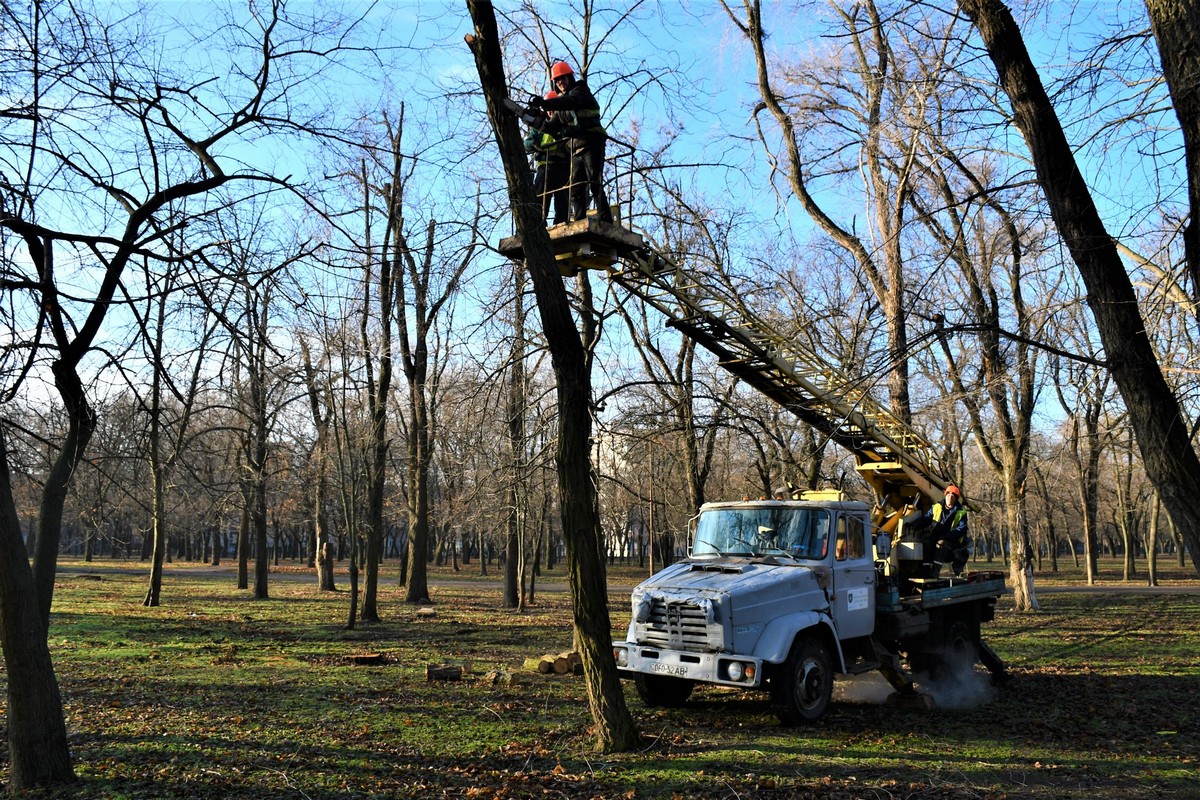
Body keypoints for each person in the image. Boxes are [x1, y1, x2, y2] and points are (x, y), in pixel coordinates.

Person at [534, 61, 611, 223]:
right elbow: (550, 127)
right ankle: (579, 220)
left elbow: (570, 102)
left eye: (563, 78)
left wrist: (546, 103)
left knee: (594, 183)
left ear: (569, 77)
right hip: (575, 149)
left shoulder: (580, 91)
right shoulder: (562, 105)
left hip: (592, 142)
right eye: (557, 80)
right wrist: (532, 118)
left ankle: (605, 218)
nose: (560, 82)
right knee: (575, 188)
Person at [523, 91, 569, 225]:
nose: (551, 111)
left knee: (562, 199)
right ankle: (538, 224)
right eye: (548, 109)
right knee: (541, 198)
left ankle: (561, 223)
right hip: (544, 167)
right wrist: (533, 144)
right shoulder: (540, 127)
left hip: (562, 166)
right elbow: (527, 143)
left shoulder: (565, 125)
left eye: (554, 108)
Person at [906, 485, 970, 576]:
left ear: (956, 498)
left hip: (951, 541)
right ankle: (925, 570)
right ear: (945, 495)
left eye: (953, 496)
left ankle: (935, 572)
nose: (950, 497)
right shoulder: (937, 507)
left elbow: (961, 529)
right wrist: (913, 525)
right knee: (927, 542)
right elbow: (926, 518)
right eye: (948, 495)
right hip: (935, 537)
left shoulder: (961, 512)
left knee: (941, 544)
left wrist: (948, 536)